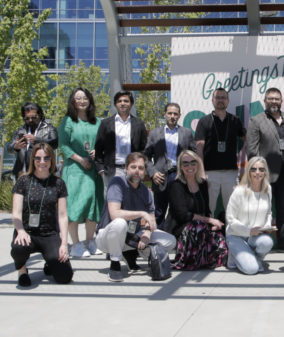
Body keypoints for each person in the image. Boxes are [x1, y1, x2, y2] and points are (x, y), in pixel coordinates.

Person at [94, 152, 177, 282]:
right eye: (133, 167)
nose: (137, 171)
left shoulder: (145, 191)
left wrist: (147, 235)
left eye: (141, 168)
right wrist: (142, 214)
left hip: (131, 237)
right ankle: (115, 263)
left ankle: (132, 253)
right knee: (120, 223)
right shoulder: (117, 182)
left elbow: (152, 222)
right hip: (107, 238)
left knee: (170, 240)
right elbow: (114, 213)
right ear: (126, 168)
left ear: (144, 172)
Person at [246, 87, 284, 254]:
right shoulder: (256, 120)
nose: (273, 101)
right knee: (262, 210)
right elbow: (252, 150)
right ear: (264, 101)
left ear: (281, 101)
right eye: (270, 98)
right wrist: (258, 172)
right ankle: (259, 244)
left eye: (276, 99)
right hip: (264, 176)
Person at [10, 143, 72, 287]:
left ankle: (49, 263)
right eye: (38, 158)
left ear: (52, 160)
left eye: (46, 158)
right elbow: (16, 213)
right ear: (33, 160)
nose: (42, 162)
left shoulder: (58, 183)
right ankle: (22, 271)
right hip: (27, 233)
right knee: (19, 248)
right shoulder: (23, 181)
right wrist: (20, 231)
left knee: (64, 277)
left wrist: (64, 244)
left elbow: (62, 215)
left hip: (49, 234)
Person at [58, 87, 105, 258]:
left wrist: (97, 151)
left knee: (94, 204)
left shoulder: (97, 121)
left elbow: (103, 142)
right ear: (73, 101)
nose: (82, 101)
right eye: (78, 98)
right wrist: (80, 159)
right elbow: (63, 144)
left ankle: (90, 241)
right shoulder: (68, 121)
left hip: (94, 170)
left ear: (90, 100)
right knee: (76, 205)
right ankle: (76, 244)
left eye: (85, 97)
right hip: (76, 169)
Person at [166, 150, 227, 271]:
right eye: (185, 163)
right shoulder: (176, 185)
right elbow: (183, 215)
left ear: (197, 164)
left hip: (201, 225)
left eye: (193, 162)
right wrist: (209, 220)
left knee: (219, 231)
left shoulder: (203, 183)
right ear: (180, 167)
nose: (190, 166)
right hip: (182, 227)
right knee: (198, 226)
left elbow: (206, 210)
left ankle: (205, 260)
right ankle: (193, 261)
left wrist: (211, 224)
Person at [144, 103, 196, 229]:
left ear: (179, 115)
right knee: (159, 212)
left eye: (175, 114)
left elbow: (193, 155)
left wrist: (188, 173)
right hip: (160, 176)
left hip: (180, 177)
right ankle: (160, 240)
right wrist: (153, 173)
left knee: (180, 210)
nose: (172, 116)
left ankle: (178, 240)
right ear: (165, 114)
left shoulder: (187, 133)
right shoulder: (154, 134)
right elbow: (145, 156)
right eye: (170, 113)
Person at [195, 88, 247, 214]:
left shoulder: (235, 120)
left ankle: (230, 234)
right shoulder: (204, 121)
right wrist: (202, 174)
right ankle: (206, 234)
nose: (220, 100)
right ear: (212, 100)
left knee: (232, 210)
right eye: (217, 98)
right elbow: (199, 148)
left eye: (223, 98)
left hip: (231, 172)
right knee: (208, 208)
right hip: (209, 173)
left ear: (228, 101)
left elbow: (249, 140)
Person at [225, 156, 274, 275]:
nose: (257, 172)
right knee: (252, 270)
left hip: (255, 236)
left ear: (265, 172)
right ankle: (233, 255)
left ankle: (255, 257)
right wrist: (249, 230)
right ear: (249, 172)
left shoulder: (268, 189)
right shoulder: (239, 191)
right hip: (236, 235)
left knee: (267, 242)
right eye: (254, 169)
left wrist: (267, 224)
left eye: (261, 169)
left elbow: (269, 212)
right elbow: (230, 218)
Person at [94, 91, 148, 196]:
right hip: (111, 170)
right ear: (115, 104)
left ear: (131, 104)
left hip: (132, 169)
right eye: (119, 101)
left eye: (126, 101)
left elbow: (143, 148)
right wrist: (101, 170)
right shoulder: (105, 123)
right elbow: (99, 148)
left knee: (132, 201)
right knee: (112, 202)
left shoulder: (139, 123)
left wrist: (140, 167)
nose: (122, 103)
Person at [7, 102, 58, 179]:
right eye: (27, 118)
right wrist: (16, 147)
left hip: (44, 173)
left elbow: (55, 144)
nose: (30, 120)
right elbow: (9, 150)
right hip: (23, 173)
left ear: (40, 114)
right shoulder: (21, 130)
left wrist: (37, 140)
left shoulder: (49, 128)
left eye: (34, 117)